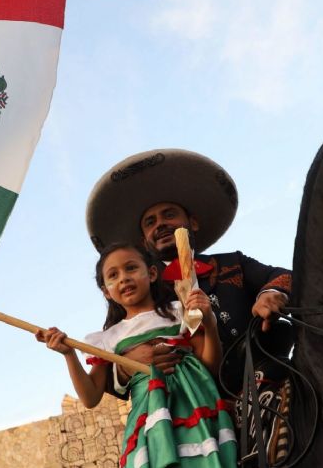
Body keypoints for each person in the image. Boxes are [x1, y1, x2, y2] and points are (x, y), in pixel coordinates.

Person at [86, 149, 294, 463]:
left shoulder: (232, 263)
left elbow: (281, 275)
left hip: (262, 373)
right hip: (191, 403)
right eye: (150, 222)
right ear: (145, 242)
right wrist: (128, 363)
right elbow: (113, 371)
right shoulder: (146, 295)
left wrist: (271, 293)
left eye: (169, 214)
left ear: (192, 222)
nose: (160, 224)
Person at [36, 242, 237, 468]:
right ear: (106, 291)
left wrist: (209, 324)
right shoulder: (107, 339)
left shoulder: (181, 312)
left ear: (151, 273)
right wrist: (69, 355)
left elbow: (210, 365)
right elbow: (90, 397)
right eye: (113, 275)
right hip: (149, 413)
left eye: (131, 268)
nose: (123, 278)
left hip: (195, 401)